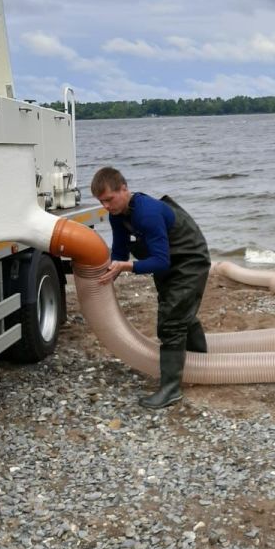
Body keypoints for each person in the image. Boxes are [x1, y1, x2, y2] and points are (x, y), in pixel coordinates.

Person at [91, 167, 211, 409]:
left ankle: (171, 390)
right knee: (180, 314)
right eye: (101, 202)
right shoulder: (118, 215)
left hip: (189, 260)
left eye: (109, 199)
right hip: (169, 262)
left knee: (171, 322)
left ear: (123, 189)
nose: (106, 206)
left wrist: (126, 267)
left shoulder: (147, 213)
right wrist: (106, 277)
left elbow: (160, 260)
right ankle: (202, 365)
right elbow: (120, 252)